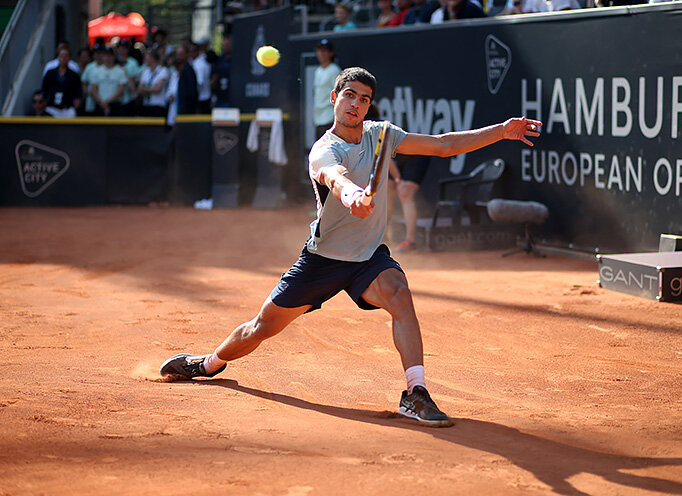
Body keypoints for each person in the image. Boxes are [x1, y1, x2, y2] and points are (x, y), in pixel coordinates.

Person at [159, 67, 542, 427]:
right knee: (262, 327)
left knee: (400, 295)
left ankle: (415, 393)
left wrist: (501, 132)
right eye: (349, 95)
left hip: (368, 257)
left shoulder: (383, 134)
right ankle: (208, 363)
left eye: (364, 98)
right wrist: (354, 196)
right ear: (334, 98)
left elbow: (442, 146)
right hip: (322, 260)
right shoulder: (323, 150)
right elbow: (335, 177)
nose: (356, 103)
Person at [390, 154, 430, 252]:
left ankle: (410, 242)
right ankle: (383, 240)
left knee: (405, 193)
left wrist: (399, 182)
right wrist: (398, 179)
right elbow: (385, 157)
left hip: (416, 151)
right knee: (386, 191)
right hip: (393, 155)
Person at [41, 46, 82, 117]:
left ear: (69, 58)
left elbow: (78, 94)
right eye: (62, 56)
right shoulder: (50, 73)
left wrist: (75, 108)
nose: (64, 58)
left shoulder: (74, 75)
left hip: (67, 109)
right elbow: (44, 90)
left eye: (66, 56)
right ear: (58, 57)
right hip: (52, 108)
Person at [313, 39, 341, 140]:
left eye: (324, 51)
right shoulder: (318, 71)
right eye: (319, 50)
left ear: (331, 53)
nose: (321, 54)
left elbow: (339, 94)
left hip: (329, 117)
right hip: (318, 118)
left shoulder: (334, 70)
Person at [90, 48, 127, 116]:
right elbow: (93, 89)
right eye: (106, 55)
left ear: (113, 56)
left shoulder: (120, 71)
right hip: (100, 104)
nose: (108, 58)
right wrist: (101, 102)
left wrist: (108, 102)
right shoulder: (97, 71)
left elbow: (121, 89)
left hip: (115, 104)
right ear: (103, 57)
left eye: (110, 55)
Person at [136, 50, 170, 117]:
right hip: (146, 105)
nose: (145, 60)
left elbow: (158, 89)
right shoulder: (145, 72)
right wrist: (152, 88)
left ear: (152, 58)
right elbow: (139, 89)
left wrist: (145, 88)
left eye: (146, 58)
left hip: (158, 105)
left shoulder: (163, 71)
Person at [115, 40, 142, 115]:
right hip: (115, 97)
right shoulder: (113, 62)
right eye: (120, 48)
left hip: (129, 97)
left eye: (124, 48)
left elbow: (136, 80)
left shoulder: (133, 63)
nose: (122, 50)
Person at [210, 36, 232, 108]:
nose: (225, 47)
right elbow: (213, 77)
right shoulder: (219, 60)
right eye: (224, 45)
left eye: (227, 45)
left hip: (232, 95)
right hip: (220, 95)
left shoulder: (235, 60)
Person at [191, 42, 212, 114]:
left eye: (193, 51)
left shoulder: (199, 64)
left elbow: (200, 83)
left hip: (202, 98)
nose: (191, 53)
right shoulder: (197, 62)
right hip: (203, 97)